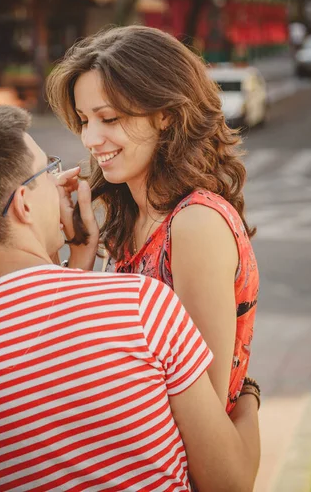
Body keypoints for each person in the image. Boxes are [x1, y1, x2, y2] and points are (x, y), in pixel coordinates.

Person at [0, 106, 260, 492]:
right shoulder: (140, 307)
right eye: (48, 171)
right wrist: (248, 393)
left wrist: (76, 264)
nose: (62, 181)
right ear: (23, 203)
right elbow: (228, 484)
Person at [47, 25, 259, 413]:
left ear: (165, 115)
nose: (90, 139)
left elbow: (207, 414)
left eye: (108, 118)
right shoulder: (131, 215)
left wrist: (248, 399)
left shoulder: (195, 225)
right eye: (83, 120)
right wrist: (80, 253)